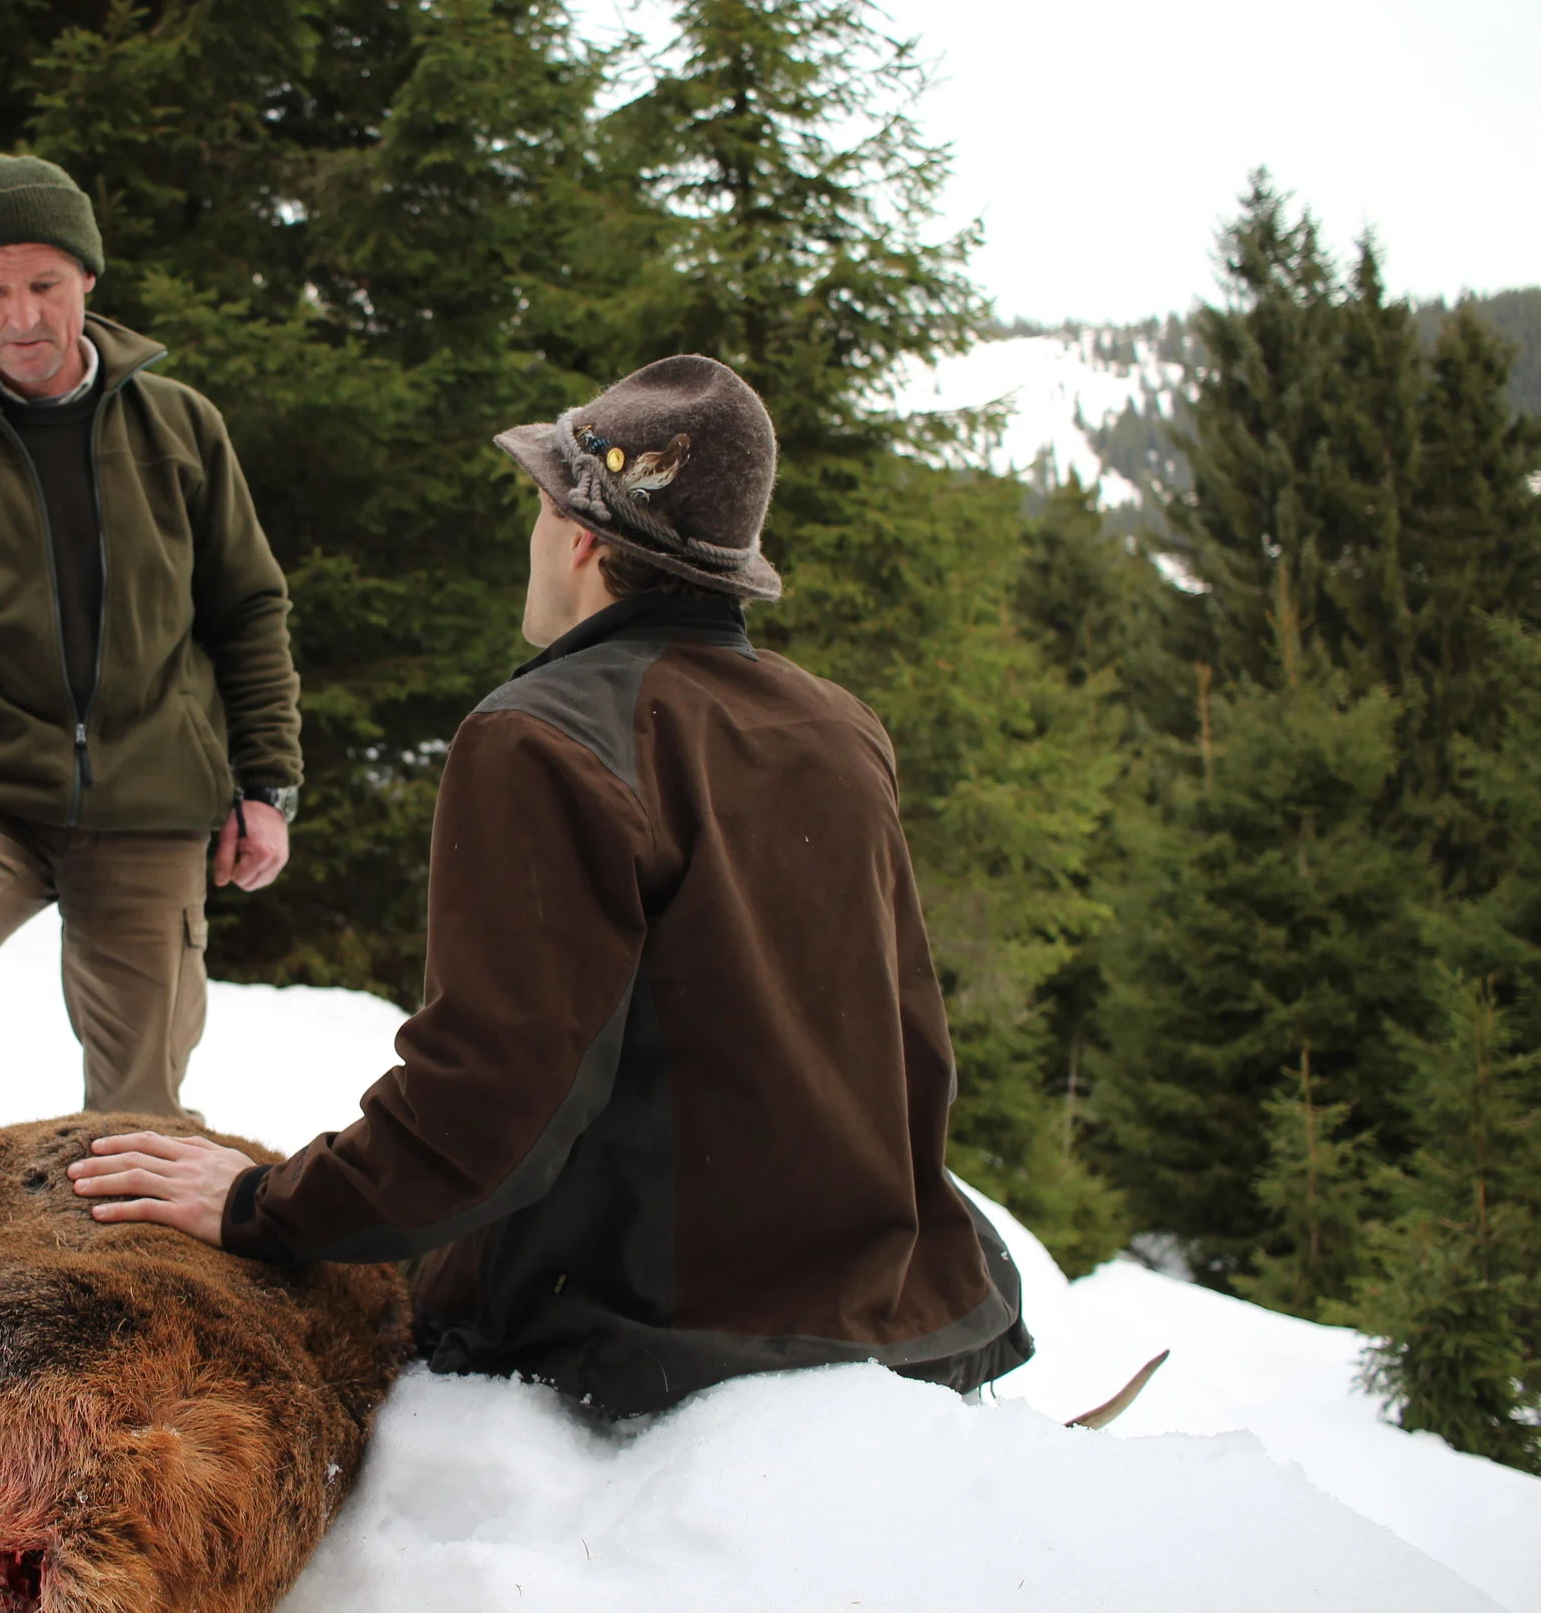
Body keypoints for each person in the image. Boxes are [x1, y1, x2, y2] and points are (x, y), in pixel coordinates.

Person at [67, 355, 1032, 1416]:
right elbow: (905, 1038)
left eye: (538, 508)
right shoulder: (836, 720)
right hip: (901, 1298)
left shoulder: (545, 734)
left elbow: (488, 1104)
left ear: (580, 538)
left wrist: (264, 1203)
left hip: (663, 1328)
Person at [0, 153, 303, 1202]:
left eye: (45, 285)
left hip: (152, 803)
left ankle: (121, 1268)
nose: (23, 315)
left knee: (140, 1105)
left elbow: (248, 609)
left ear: (87, 282)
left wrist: (266, 784)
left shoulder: (180, 427)